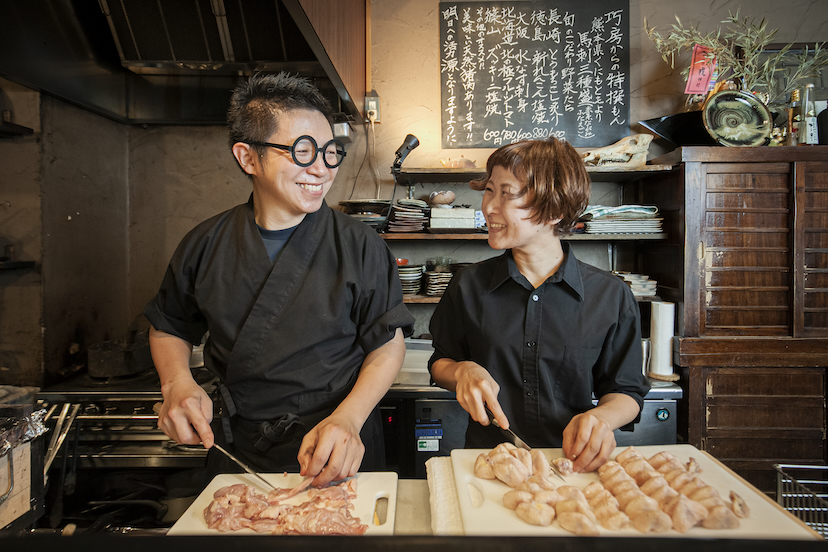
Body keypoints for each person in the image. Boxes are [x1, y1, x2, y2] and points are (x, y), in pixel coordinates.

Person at [144, 72, 414, 487]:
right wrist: (176, 382)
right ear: (248, 157)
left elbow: (388, 342)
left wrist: (349, 417)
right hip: (239, 448)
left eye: (330, 152)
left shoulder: (360, 245)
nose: (323, 170)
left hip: (336, 442)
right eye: (303, 152)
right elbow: (169, 326)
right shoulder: (205, 244)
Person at [428, 137, 650, 474]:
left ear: (556, 209)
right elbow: (440, 362)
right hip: (489, 466)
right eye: (489, 190)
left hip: (571, 466)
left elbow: (626, 391)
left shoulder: (610, 295)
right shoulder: (468, 285)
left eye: (508, 193)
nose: (488, 206)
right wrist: (462, 371)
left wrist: (601, 418)